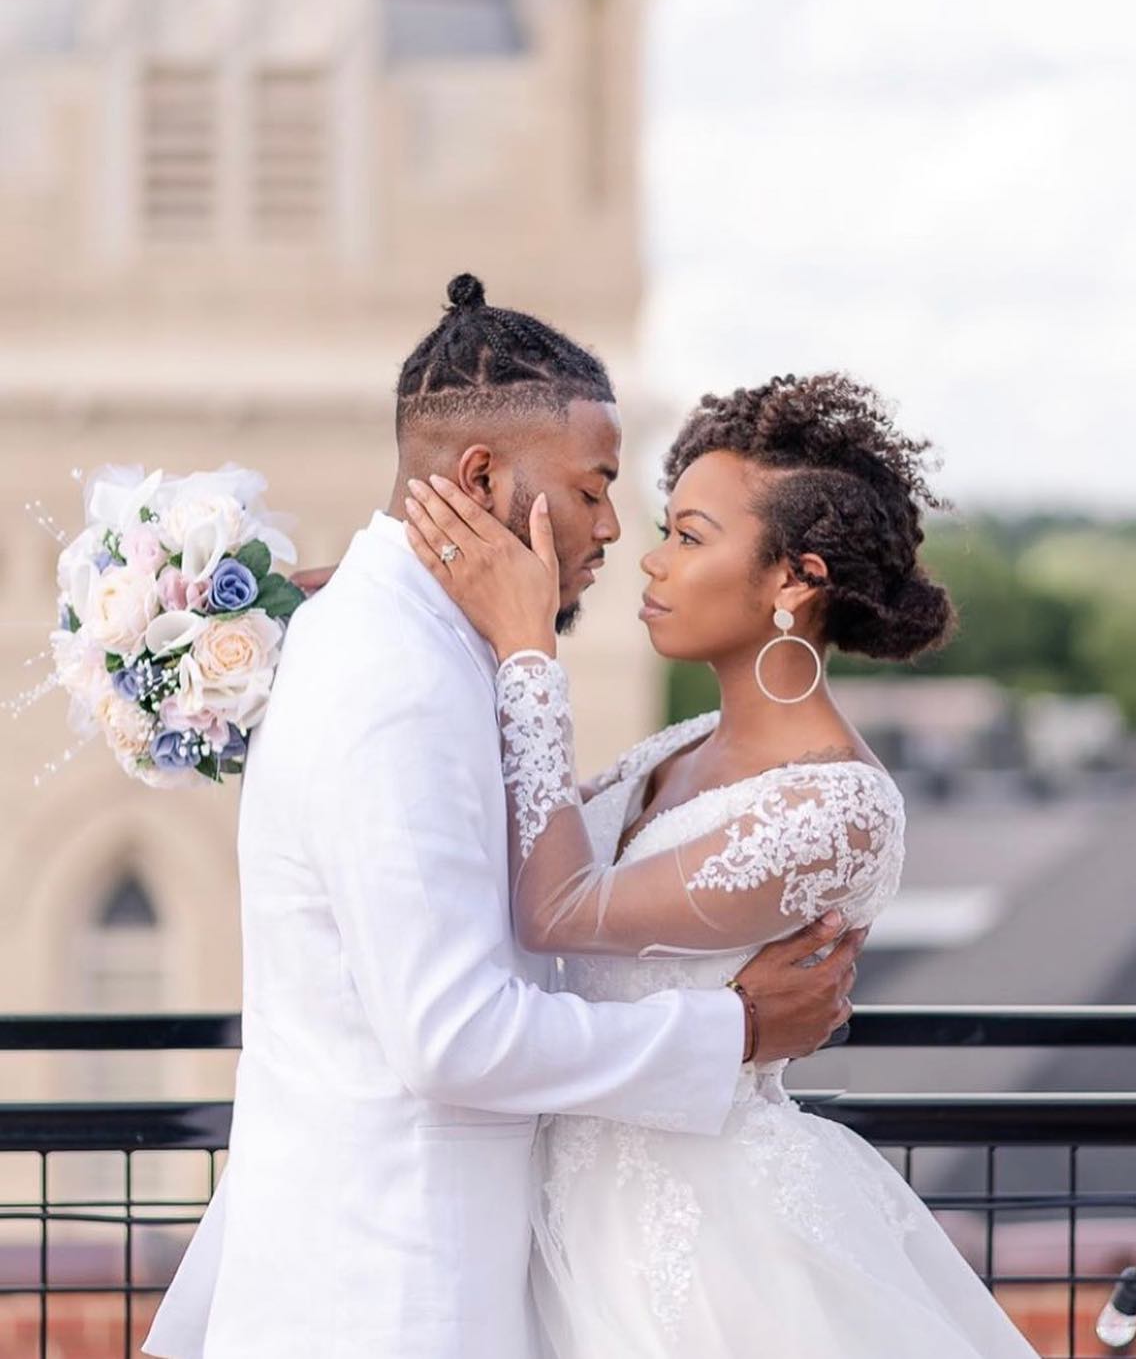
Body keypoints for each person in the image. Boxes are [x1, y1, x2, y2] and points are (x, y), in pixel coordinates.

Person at [141, 277, 859, 1359]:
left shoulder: (402, 636)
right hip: (394, 1288)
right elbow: (453, 1035)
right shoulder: (397, 678)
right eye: (594, 485)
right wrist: (736, 1032)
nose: (616, 528)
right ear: (482, 477)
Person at [404, 369, 1042, 1357]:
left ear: (795, 579)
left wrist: (528, 647)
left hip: (712, 1258)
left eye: (691, 537)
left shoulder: (838, 805)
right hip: (561, 1219)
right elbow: (509, 850)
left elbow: (560, 909)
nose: (650, 563)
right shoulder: (677, 747)